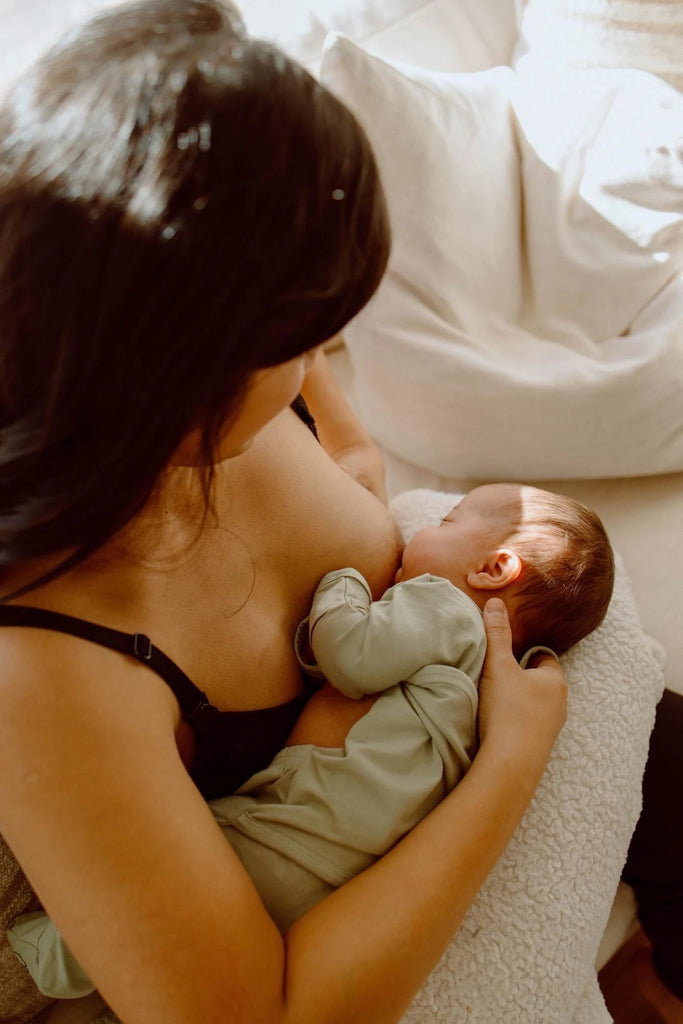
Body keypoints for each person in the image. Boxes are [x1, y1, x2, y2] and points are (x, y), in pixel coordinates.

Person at [0, 3, 569, 1023]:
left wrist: (354, 466)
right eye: (304, 342)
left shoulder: (231, 418)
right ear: (176, 374)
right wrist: (510, 763)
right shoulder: (47, 664)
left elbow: (342, 452)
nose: (320, 371)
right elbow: (259, 1013)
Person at [7, 481, 614, 999]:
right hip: (334, 865)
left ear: (493, 568)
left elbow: (351, 657)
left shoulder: (447, 609)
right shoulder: (479, 672)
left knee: (165, 908)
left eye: (446, 521)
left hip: (297, 835)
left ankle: (48, 955)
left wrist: (344, 585)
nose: (422, 531)